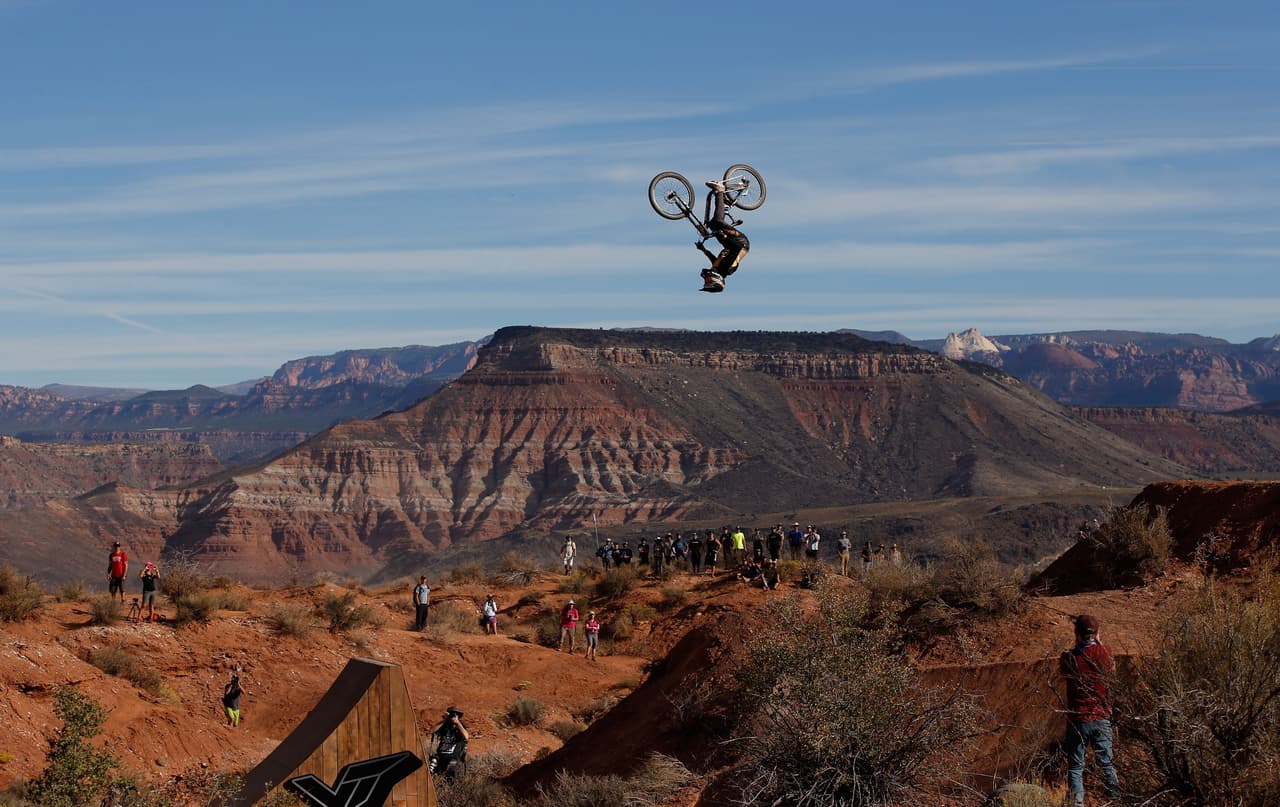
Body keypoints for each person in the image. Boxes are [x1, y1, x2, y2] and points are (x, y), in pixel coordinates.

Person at [1059, 614, 1119, 807]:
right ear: (1097, 633)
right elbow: (1111, 670)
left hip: (1079, 719)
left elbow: (1064, 672)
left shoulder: (1069, 658)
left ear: (1077, 633)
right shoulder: (1106, 653)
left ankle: (1077, 804)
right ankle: (1115, 799)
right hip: (1101, 716)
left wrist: (1078, 647)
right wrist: (1099, 645)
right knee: (1106, 763)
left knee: (1076, 767)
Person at [697, 180, 750, 293]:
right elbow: (737, 247)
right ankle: (720, 191)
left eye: (705, 281)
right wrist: (724, 237)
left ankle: (723, 200)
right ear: (718, 281)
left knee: (711, 225)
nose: (705, 280)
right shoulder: (728, 268)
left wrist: (703, 250)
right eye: (708, 281)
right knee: (717, 222)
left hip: (729, 243)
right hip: (740, 242)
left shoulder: (718, 269)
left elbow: (714, 259)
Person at [430, 707, 471, 781]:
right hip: (441, 755)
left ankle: (449, 789)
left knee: (450, 776)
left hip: (453, 756)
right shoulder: (444, 725)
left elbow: (466, 736)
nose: (452, 717)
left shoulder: (460, 725)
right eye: (451, 715)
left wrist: (457, 722)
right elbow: (432, 731)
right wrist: (444, 720)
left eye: (455, 715)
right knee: (432, 770)